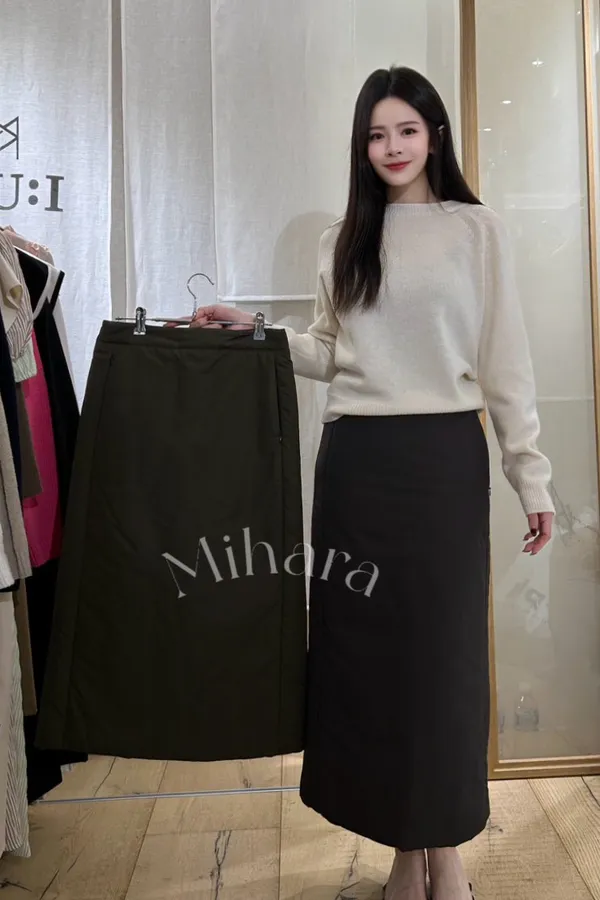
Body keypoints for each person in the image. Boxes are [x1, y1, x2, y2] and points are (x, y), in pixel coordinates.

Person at [181, 66, 555, 900]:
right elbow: (329, 351)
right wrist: (255, 330)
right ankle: (404, 851)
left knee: (443, 662)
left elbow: (506, 363)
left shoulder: (477, 230)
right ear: (362, 145)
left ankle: (442, 851)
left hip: (443, 463)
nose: (392, 147)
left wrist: (530, 476)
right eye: (377, 134)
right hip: (357, 467)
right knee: (373, 666)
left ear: (435, 136)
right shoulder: (343, 239)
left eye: (406, 130)